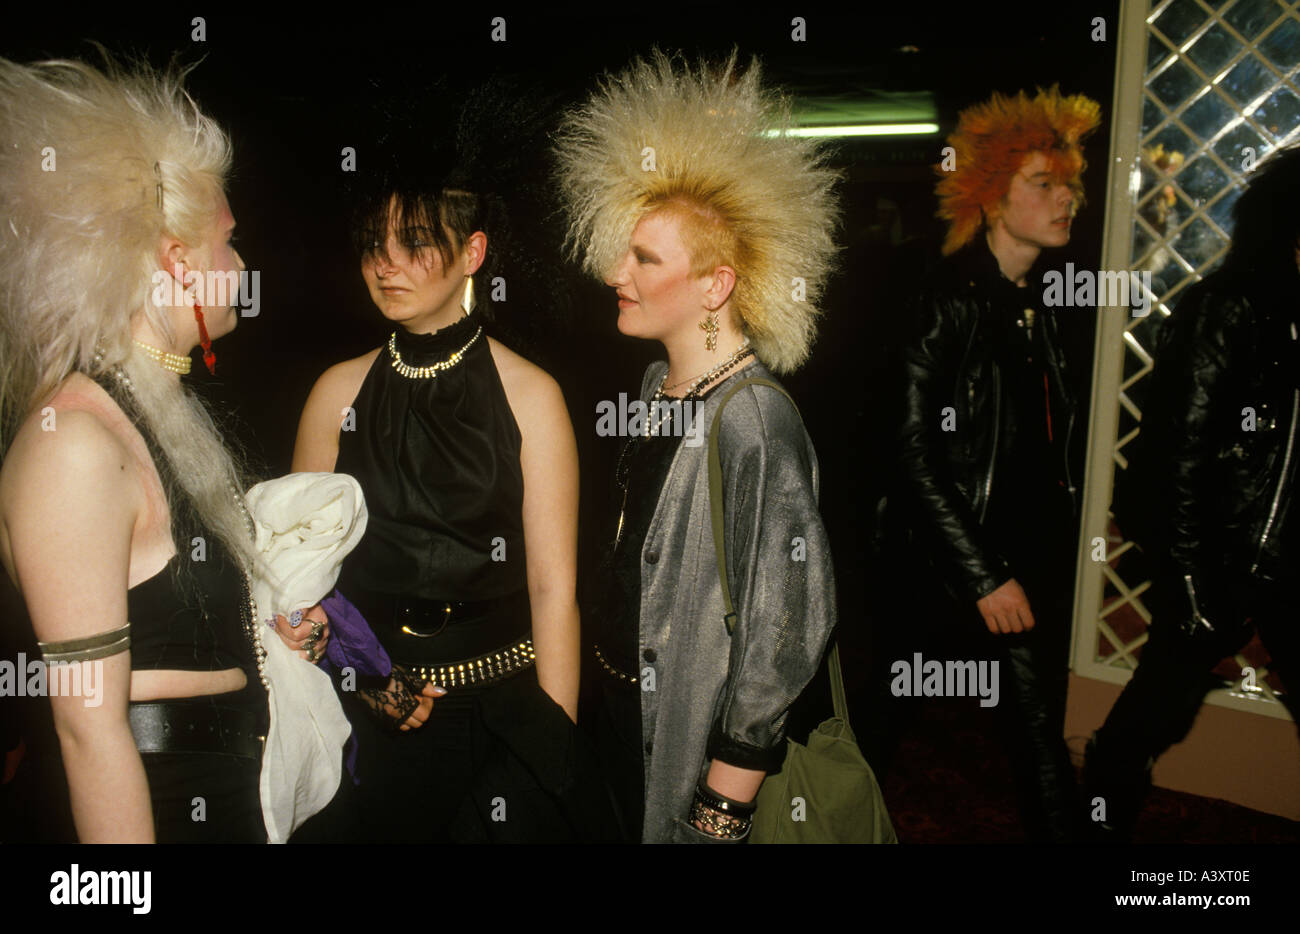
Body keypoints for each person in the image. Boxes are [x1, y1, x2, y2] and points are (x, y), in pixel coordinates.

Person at [0, 56, 323, 842]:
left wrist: (265, 632)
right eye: (228, 242)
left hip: (221, 788)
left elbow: (166, 623)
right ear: (177, 259)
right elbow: (87, 729)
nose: (241, 266)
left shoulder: (154, 414)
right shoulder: (74, 441)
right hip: (156, 802)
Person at [554, 49, 841, 843]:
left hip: (689, 770)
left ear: (715, 286)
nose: (615, 271)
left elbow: (786, 635)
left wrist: (720, 811)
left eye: (645, 257)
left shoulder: (753, 420)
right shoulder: (655, 389)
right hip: (621, 735)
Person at [292, 85, 588, 842]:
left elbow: (555, 590)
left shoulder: (532, 396)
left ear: (473, 252)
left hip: (503, 715)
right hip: (371, 715)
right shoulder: (335, 393)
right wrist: (361, 680)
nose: (387, 264)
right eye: (373, 242)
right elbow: (296, 587)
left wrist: (547, 758)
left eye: (415, 242)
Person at [883, 87, 1102, 842]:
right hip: (943, 564)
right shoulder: (947, 299)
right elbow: (909, 453)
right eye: (1042, 184)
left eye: (1069, 183)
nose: (1066, 197)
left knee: (1037, 729)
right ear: (988, 195)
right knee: (877, 722)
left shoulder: (1035, 300)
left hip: (1021, 551)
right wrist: (982, 573)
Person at [1086, 145, 1300, 841]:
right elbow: (1171, 463)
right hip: (1218, 557)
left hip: (1286, 563)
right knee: (1155, 709)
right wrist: (1189, 582)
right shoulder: (1225, 313)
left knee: (1158, 704)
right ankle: (1101, 814)